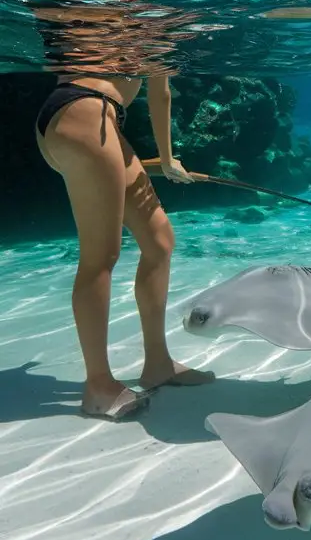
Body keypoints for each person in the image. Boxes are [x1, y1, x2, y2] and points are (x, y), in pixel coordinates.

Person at [35, 73, 215, 420]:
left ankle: (158, 364)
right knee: (100, 255)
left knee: (159, 240)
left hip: (96, 117)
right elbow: (160, 92)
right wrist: (166, 159)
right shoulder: (154, 20)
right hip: (86, 112)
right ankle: (99, 387)